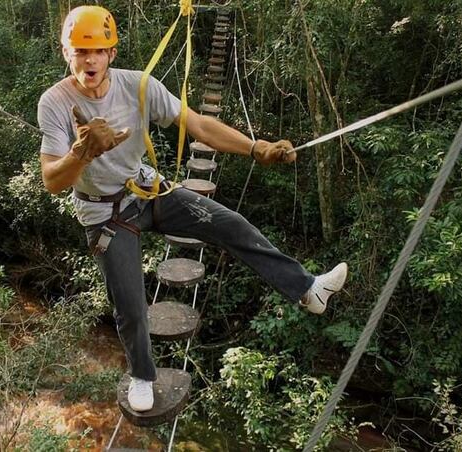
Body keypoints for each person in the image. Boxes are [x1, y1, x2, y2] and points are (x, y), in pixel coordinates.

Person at [38, 5, 347, 413]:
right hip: (105, 214)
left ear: (112, 53)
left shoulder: (140, 87)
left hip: (147, 191)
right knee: (130, 303)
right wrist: (82, 153)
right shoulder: (55, 103)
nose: (89, 60)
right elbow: (53, 181)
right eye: (80, 51)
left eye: (97, 51)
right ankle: (143, 376)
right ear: (66, 53)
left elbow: (198, 125)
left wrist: (255, 148)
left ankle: (308, 289)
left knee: (230, 224)